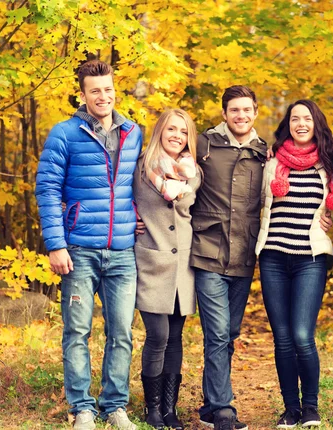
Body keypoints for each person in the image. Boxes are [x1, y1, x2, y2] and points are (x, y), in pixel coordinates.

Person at [35, 60, 141, 430]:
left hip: (123, 251)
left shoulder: (133, 131)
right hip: (79, 249)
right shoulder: (64, 134)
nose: (103, 96)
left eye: (108, 89)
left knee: (122, 332)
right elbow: (47, 190)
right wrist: (56, 244)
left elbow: (140, 183)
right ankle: (82, 407)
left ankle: (115, 406)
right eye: (95, 90)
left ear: (115, 90)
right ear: (82, 94)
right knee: (77, 331)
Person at [255, 100, 333, 428]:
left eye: (307, 118)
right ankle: (290, 409)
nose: (301, 123)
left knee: (302, 334)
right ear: (288, 124)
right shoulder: (272, 161)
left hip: (310, 258)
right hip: (273, 257)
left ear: (315, 123)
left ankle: (311, 407)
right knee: (281, 337)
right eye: (295, 118)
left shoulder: (329, 162)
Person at [190, 85, 267, 430]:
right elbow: (165, 164)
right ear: (224, 114)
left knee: (228, 332)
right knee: (219, 333)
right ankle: (222, 409)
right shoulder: (203, 145)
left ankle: (209, 406)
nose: (241, 116)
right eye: (234, 110)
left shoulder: (264, 152)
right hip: (207, 250)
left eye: (246, 110)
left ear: (255, 112)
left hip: (244, 254)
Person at [133, 109, 201, 430]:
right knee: (157, 335)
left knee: (175, 337)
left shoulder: (192, 173)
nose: (177, 135)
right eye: (171, 129)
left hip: (182, 265)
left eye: (184, 131)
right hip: (150, 261)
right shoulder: (142, 167)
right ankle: (153, 408)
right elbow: (122, 201)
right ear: (160, 130)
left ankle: (170, 410)